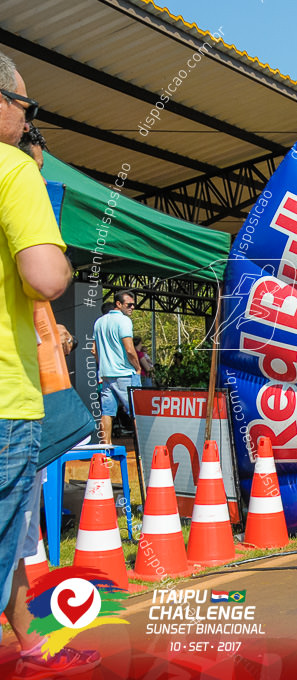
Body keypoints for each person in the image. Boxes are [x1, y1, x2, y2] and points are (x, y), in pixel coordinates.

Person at [0, 49, 84, 676]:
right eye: (26, 109)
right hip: (7, 399)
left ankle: (29, 638)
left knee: (13, 541)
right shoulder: (11, 171)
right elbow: (46, 277)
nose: (29, 125)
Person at [92, 291, 142, 444]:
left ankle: (105, 448)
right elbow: (129, 349)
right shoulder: (124, 321)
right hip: (125, 374)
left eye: (134, 304)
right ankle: (142, 448)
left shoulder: (99, 322)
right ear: (118, 304)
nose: (132, 307)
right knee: (137, 413)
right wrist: (138, 367)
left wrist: (103, 366)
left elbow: (94, 350)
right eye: (129, 305)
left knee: (107, 413)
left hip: (107, 375)